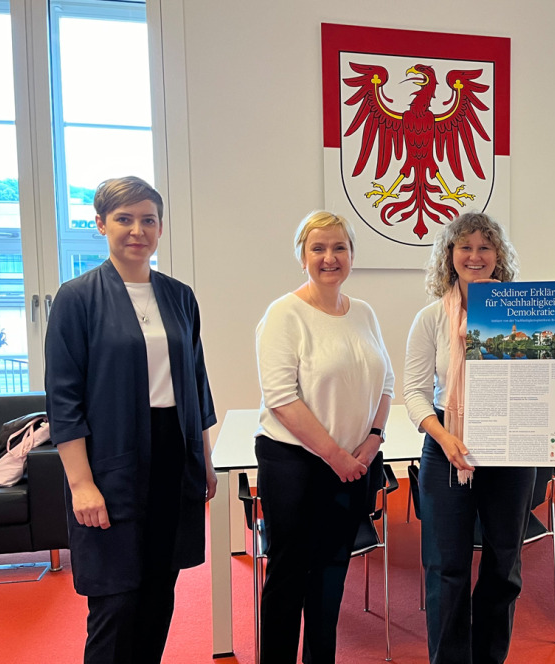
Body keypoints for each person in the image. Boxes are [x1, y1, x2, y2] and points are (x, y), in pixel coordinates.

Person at [44, 176, 217, 664]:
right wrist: (81, 484)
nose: (137, 230)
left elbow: (197, 382)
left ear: (160, 228)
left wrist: (203, 460)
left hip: (172, 454)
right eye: (124, 219)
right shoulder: (77, 298)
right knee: (115, 602)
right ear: (100, 224)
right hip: (109, 461)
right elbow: (64, 399)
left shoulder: (179, 297)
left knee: (160, 591)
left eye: (148, 220)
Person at [254, 210, 394, 663]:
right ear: (302, 256)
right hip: (295, 465)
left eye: (339, 247)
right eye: (318, 248)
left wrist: (372, 441)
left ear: (352, 254)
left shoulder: (365, 313)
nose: (329, 257)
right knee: (289, 576)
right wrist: (336, 456)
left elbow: (386, 383)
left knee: (332, 573)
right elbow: (280, 398)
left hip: (354, 464)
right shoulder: (284, 314)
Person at [404, 211, 535, 664]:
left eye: (485, 246)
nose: (475, 256)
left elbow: (550, 377)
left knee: (504, 565)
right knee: (447, 569)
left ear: (498, 256)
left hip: (513, 444)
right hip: (447, 446)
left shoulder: (527, 311)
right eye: (465, 247)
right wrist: (443, 437)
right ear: (450, 255)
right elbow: (415, 394)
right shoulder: (429, 319)